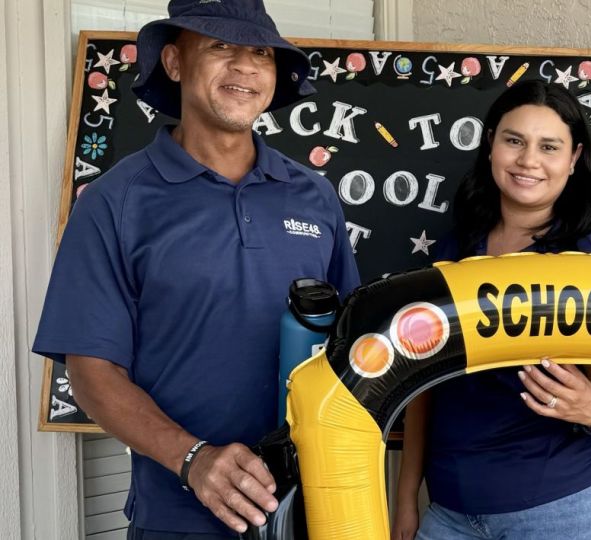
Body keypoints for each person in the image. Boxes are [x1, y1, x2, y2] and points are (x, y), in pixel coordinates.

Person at [32, 0, 360, 537]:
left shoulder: (313, 195)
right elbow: (92, 372)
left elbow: (351, 343)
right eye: (220, 46)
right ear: (174, 63)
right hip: (178, 518)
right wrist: (194, 459)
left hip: (314, 512)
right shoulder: (116, 202)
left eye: (260, 52)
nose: (246, 66)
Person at [392, 80, 591, 540]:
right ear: (491, 145)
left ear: (573, 159)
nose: (529, 160)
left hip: (568, 506)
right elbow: (422, 389)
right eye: (514, 141)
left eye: (549, 146)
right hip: (451, 510)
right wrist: (406, 498)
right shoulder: (453, 253)